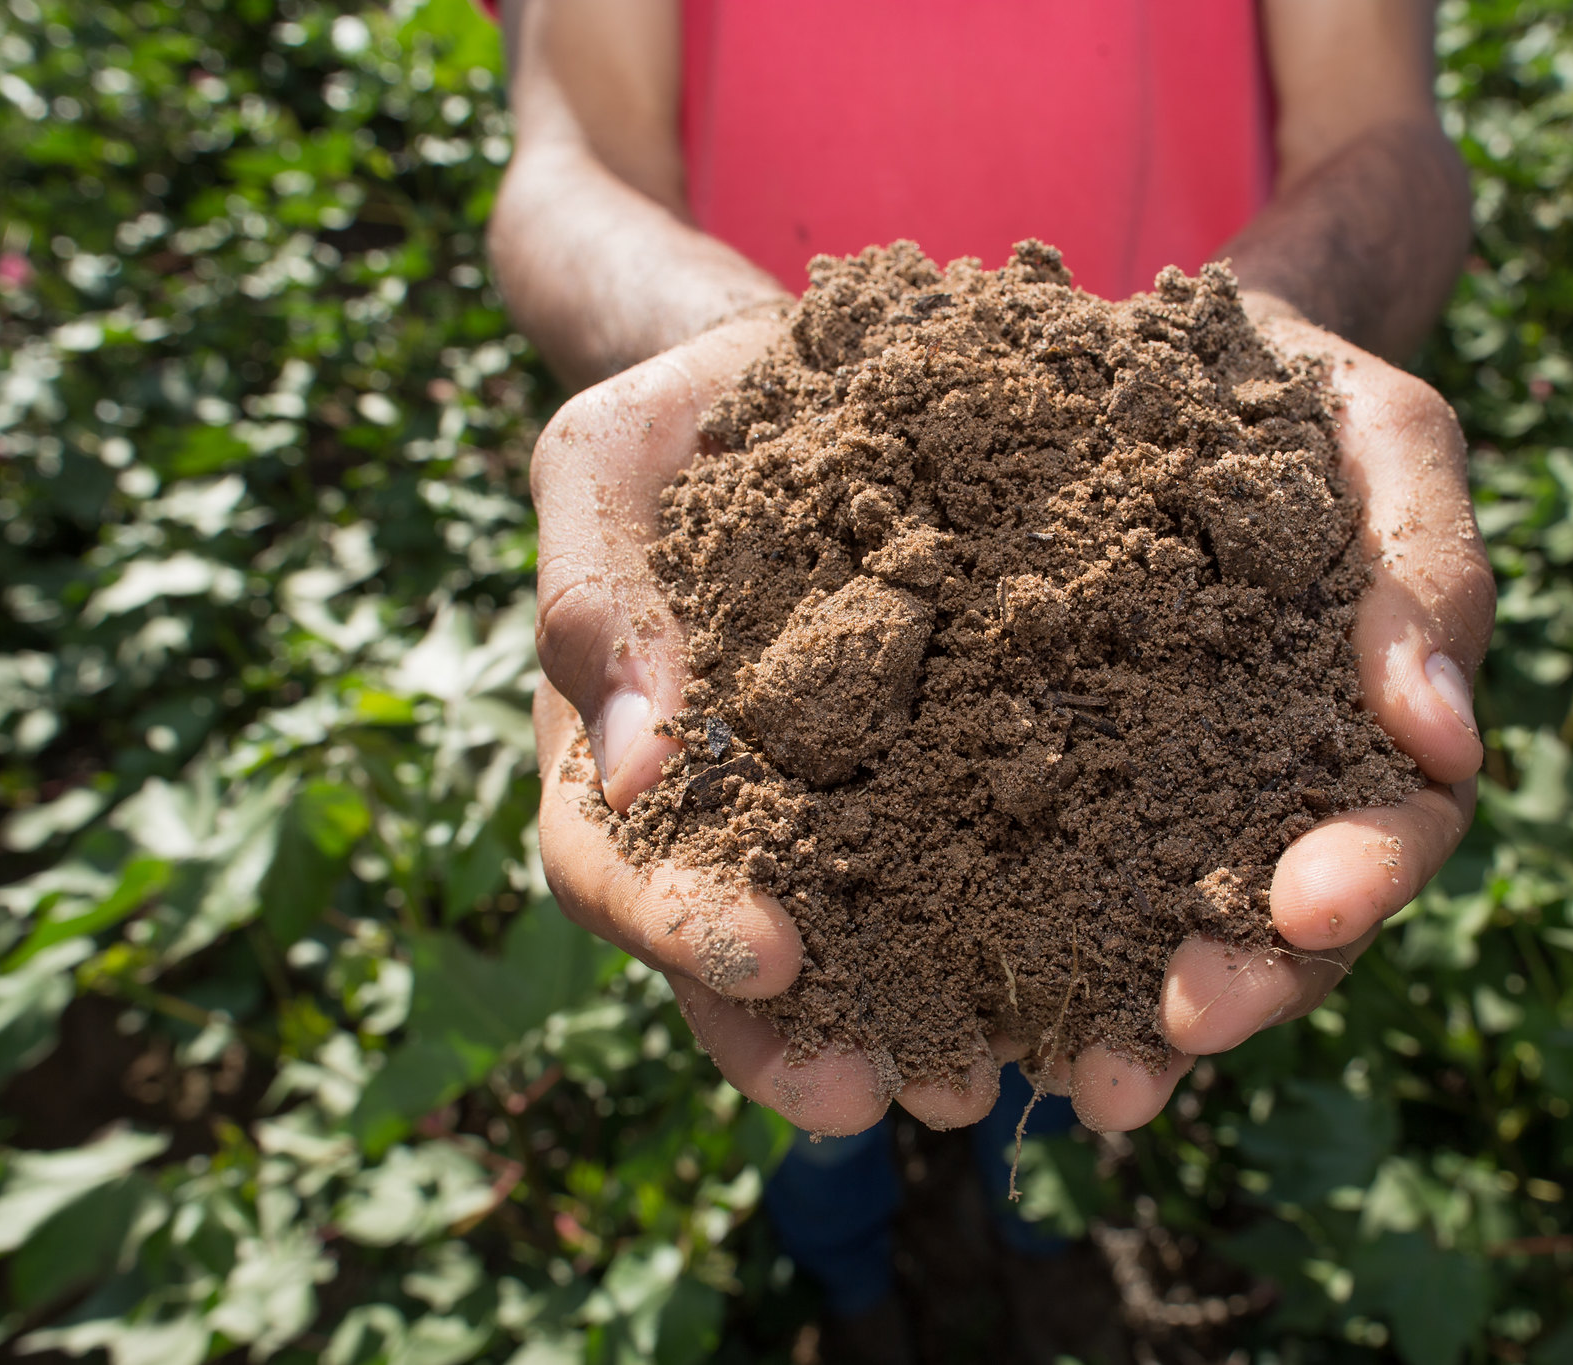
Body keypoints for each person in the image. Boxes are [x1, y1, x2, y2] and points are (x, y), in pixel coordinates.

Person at [489, 0, 1495, 1352]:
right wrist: (730, 353)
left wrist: (1262, 339)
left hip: (1204, 438)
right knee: (787, 1031)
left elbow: (1390, 135)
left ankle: (1038, 1240)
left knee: (1095, 1053)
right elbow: (566, 165)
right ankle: (851, 1285)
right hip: (772, 447)